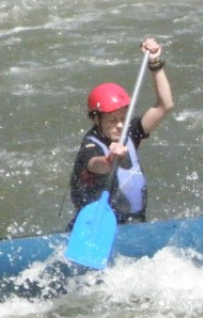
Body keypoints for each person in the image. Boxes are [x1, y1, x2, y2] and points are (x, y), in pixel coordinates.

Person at [69, 37, 174, 226]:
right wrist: (110, 159)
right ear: (96, 118)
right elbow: (95, 164)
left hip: (134, 224)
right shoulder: (90, 144)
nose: (119, 125)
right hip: (99, 226)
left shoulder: (129, 132)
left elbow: (164, 106)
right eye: (112, 120)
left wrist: (155, 63)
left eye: (123, 119)